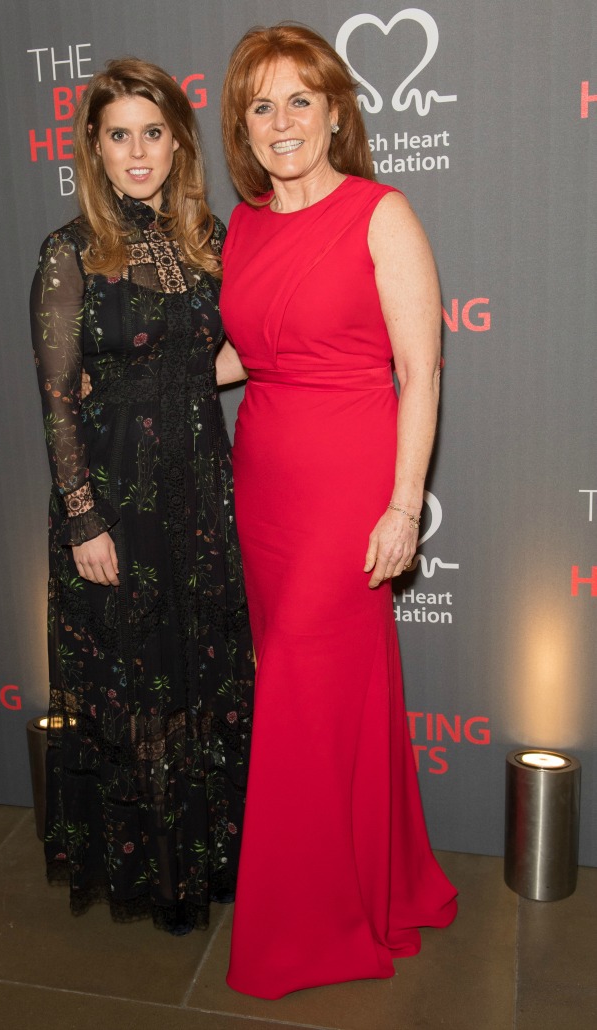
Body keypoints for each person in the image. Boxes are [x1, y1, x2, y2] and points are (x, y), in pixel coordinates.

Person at [218, 25, 458, 997]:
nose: (283, 123)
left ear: (333, 111)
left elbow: (419, 369)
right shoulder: (240, 224)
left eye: (300, 101)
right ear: (242, 124)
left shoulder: (378, 212)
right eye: (261, 105)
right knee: (322, 697)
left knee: (298, 696)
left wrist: (404, 504)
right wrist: (144, 383)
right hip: (264, 480)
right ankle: (373, 882)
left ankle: (306, 926)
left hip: (349, 482)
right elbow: (248, 349)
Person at [30, 58, 254, 936]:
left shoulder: (208, 242)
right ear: (94, 144)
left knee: (202, 673)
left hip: (201, 490)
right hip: (119, 499)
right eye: (119, 134)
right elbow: (56, 400)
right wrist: (84, 516)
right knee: (142, 686)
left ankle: (209, 860)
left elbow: (224, 355)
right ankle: (159, 876)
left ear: (177, 143)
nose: (137, 151)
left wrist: (207, 379)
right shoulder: (71, 252)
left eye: (153, 133)